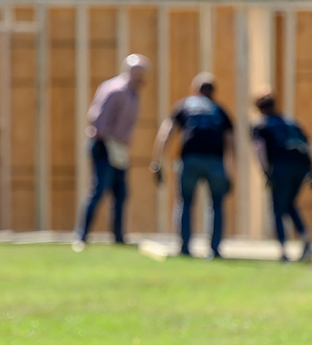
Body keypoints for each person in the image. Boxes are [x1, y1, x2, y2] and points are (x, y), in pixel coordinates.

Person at [150, 73, 235, 258]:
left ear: (195, 90)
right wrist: (230, 172)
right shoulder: (220, 110)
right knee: (216, 205)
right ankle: (214, 249)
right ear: (213, 93)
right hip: (215, 162)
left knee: (185, 203)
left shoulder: (184, 105)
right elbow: (230, 142)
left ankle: (184, 247)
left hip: (189, 160)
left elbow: (166, 133)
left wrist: (158, 162)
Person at [75, 54, 150, 249]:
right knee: (98, 190)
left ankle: (118, 237)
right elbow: (97, 120)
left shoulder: (135, 93)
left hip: (119, 148)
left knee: (121, 193)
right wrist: (113, 142)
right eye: (140, 73)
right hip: (104, 145)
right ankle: (81, 236)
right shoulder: (115, 90)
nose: (143, 77)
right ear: (130, 72)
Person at [251, 90, 312, 262]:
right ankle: (306, 241)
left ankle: (283, 250)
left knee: (277, 208)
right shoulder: (291, 122)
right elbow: (309, 144)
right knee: (289, 204)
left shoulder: (261, 124)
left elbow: (260, 150)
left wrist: (266, 172)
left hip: (280, 167)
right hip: (301, 167)